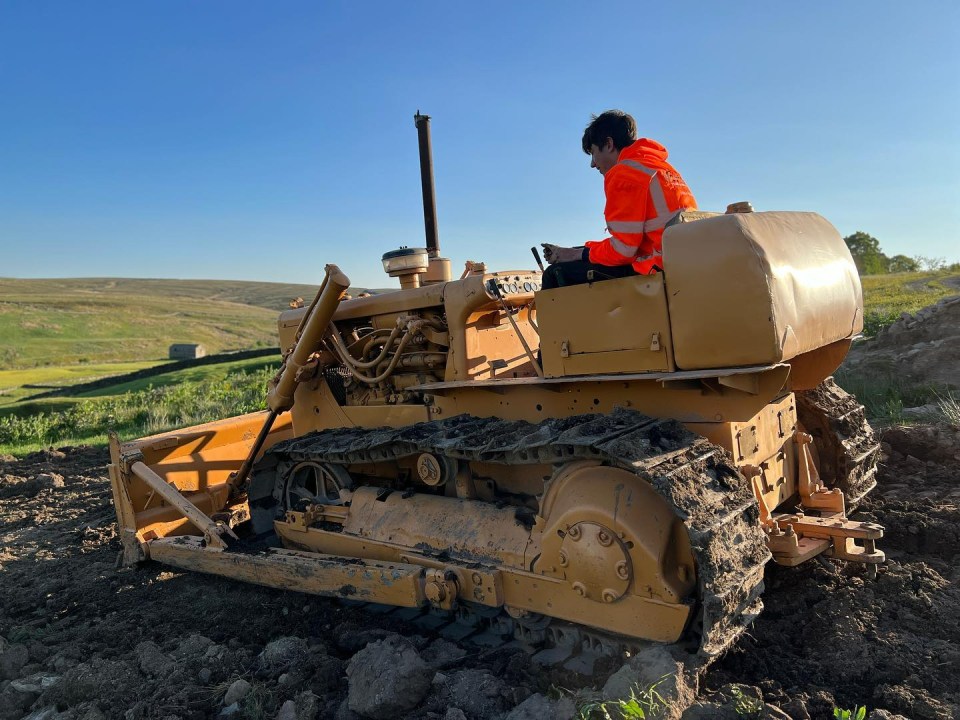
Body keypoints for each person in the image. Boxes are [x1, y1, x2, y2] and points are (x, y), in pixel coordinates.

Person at [540, 110, 697, 289]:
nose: (593, 163)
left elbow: (623, 251)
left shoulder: (624, 173)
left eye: (593, 152)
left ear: (608, 144)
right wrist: (577, 252)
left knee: (555, 273)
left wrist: (573, 256)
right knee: (578, 254)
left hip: (654, 267)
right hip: (675, 258)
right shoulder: (661, 167)